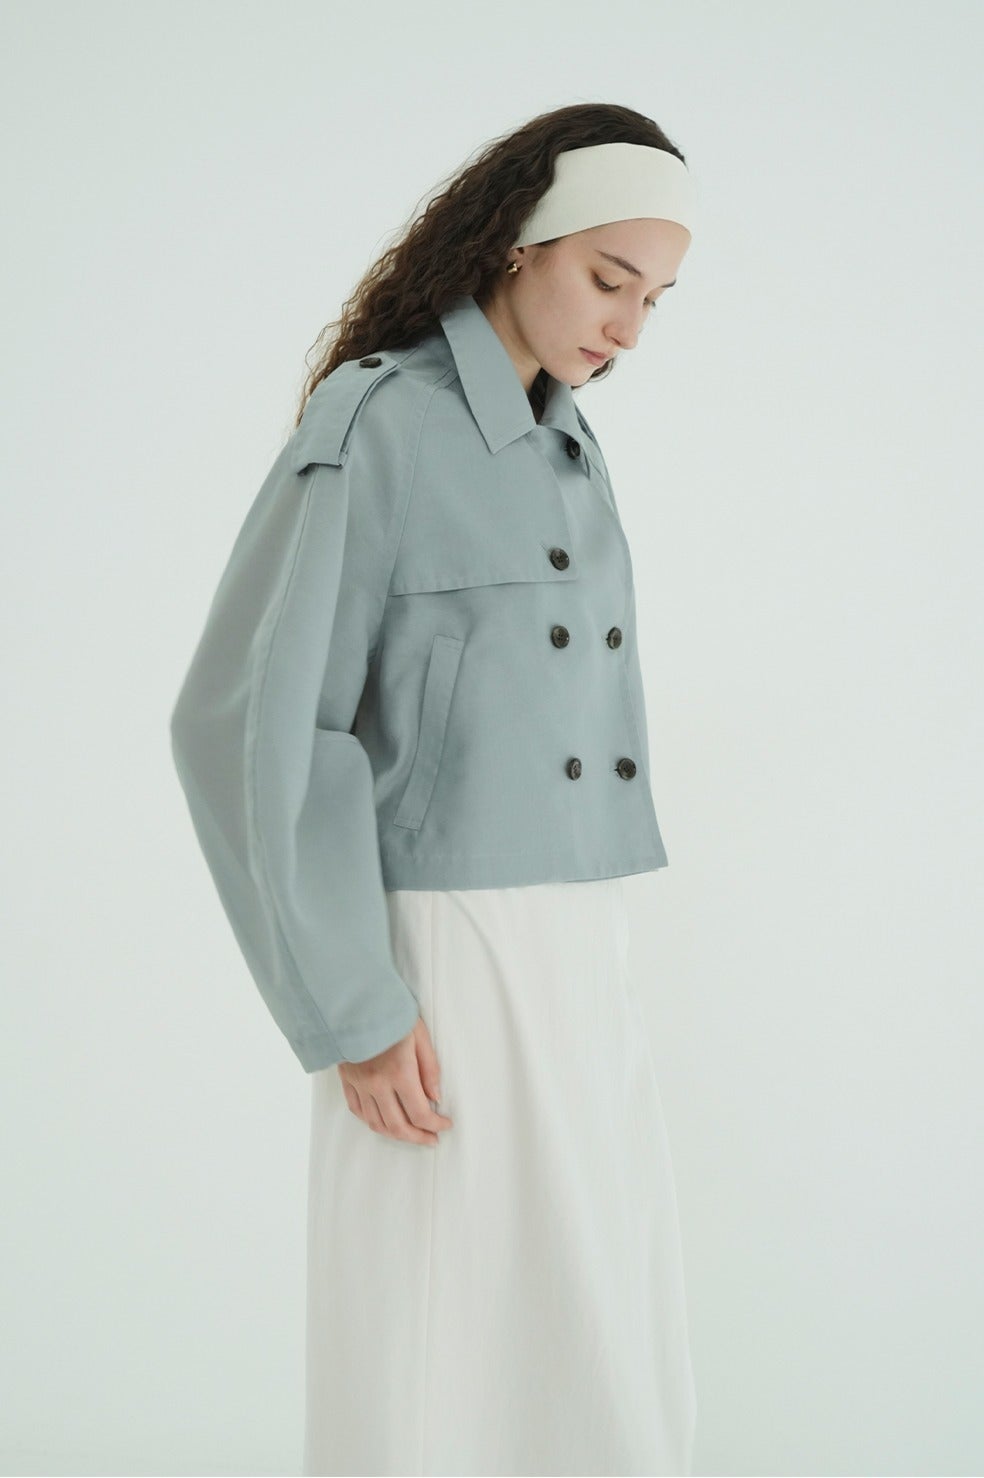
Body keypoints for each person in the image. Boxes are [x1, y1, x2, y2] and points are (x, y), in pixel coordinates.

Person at [169, 101, 698, 1477]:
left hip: (581, 941)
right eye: (609, 279)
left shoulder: (568, 439)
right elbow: (248, 718)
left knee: (591, 1311)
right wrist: (352, 999)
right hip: (440, 953)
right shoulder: (382, 420)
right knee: (433, 1325)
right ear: (521, 240)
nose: (630, 327)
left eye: (654, 299)